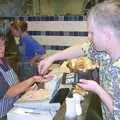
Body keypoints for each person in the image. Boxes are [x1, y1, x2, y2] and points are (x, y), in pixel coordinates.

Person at [38, 1, 120, 120]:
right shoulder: (105, 52)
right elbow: (82, 49)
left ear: (107, 35)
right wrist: (53, 57)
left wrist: (97, 89)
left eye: (92, 33)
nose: (89, 37)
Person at [0, 32, 45, 120]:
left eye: (3, 44)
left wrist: (26, 90)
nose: (2, 48)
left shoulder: (3, 61)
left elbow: (14, 83)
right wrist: (33, 79)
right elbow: (9, 92)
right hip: (3, 115)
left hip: (12, 108)